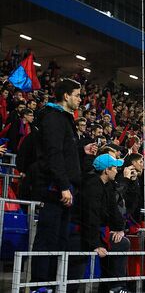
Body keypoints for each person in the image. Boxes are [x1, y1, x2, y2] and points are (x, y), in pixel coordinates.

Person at [31, 79, 85, 283]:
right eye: (78, 95)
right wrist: (63, 186)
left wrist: (81, 150)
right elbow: (54, 154)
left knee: (60, 241)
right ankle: (39, 284)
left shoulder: (64, 119)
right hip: (56, 189)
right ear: (66, 96)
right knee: (48, 239)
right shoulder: (53, 118)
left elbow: (65, 152)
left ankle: (53, 284)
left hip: (65, 189)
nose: (80, 99)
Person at [80, 153, 130, 293]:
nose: (117, 170)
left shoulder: (107, 185)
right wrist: (95, 244)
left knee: (122, 241)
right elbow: (90, 217)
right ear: (106, 170)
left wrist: (120, 229)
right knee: (120, 244)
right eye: (114, 167)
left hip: (98, 230)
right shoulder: (92, 186)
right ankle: (115, 287)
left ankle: (114, 287)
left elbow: (114, 211)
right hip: (85, 232)